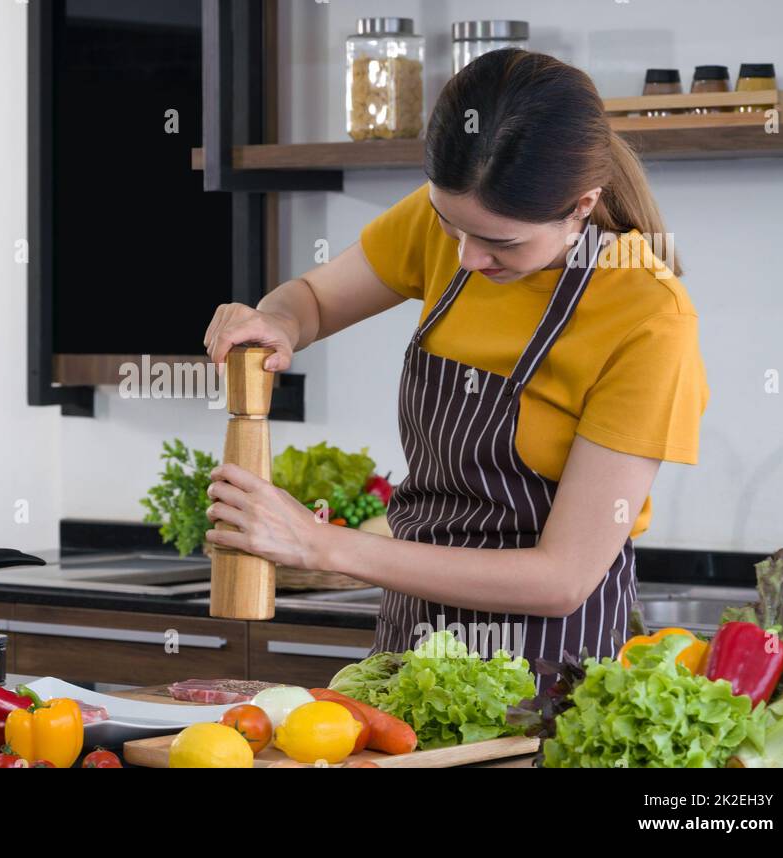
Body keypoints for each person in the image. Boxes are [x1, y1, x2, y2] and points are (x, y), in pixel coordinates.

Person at [201, 50, 707, 688]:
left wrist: (320, 544)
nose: (466, 257)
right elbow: (314, 300)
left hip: (548, 667)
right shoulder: (461, 216)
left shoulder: (648, 318)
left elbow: (562, 578)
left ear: (582, 205)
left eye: (501, 243)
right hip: (412, 638)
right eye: (451, 227)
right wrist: (277, 320)